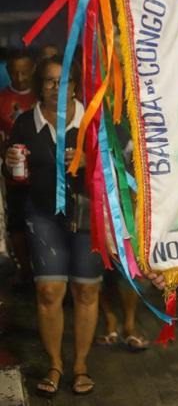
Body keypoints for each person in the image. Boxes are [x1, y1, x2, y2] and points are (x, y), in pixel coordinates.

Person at [3, 56, 103, 397]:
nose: (57, 88)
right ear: (39, 86)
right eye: (49, 81)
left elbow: (116, 167)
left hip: (87, 214)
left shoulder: (91, 118)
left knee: (86, 291)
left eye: (64, 81)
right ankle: (56, 364)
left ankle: (81, 366)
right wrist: (10, 162)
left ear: (75, 84)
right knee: (48, 292)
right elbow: (15, 172)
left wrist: (91, 162)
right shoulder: (25, 124)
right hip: (43, 213)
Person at [0, 50, 37, 284]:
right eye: (14, 72)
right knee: (16, 222)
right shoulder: (2, 98)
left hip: (41, 172)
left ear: (33, 69)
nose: (20, 77)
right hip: (14, 172)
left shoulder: (41, 96)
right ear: (7, 70)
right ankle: (24, 270)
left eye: (24, 71)